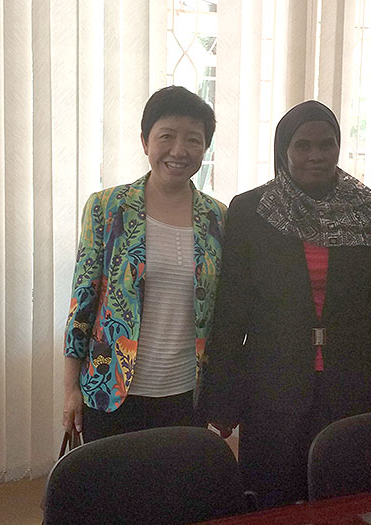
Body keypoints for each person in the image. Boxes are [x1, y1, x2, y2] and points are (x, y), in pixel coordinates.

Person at [196, 100, 371, 508]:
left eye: (327, 144)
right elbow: (232, 311)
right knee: (271, 498)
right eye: (303, 145)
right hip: (271, 386)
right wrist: (221, 399)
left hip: (352, 386)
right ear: (283, 150)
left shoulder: (368, 210)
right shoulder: (252, 210)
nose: (317, 155)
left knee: (345, 498)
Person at [63, 86, 226, 442]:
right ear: (145, 141)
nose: (179, 150)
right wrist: (70, 388)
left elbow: (222, 315)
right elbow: (82, 302)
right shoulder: (107, 208)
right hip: (110, 392)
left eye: (193, 140)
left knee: (177, 478)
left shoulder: (218, 218)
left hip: (186, 395)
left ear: (205, 148)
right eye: (166, 136)